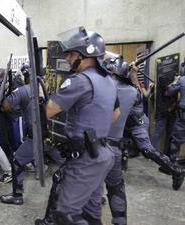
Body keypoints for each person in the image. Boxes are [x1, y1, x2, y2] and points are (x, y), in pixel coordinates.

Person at [35, 27, 116, 225]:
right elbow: (115, 114)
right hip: (103, 152)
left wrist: (37, 96)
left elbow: (48, 111)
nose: (68, 58)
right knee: (92, 210)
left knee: (66, 214)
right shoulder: (109, 80)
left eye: (71, 54)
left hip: (86, 158)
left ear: (85, 56)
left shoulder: (79, 81)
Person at [102, 53, 138, 225]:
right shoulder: (132, 92)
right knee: (115, 188)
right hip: (116, 149)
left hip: (96, 147)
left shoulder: (102, 88)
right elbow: (137, 92)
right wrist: (133, 76)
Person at [165, 73, 185, 190]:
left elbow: (169, 92)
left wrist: (175, 81)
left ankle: (171, 168)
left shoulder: (182, 80)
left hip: (183, 117)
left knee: (175, 143)